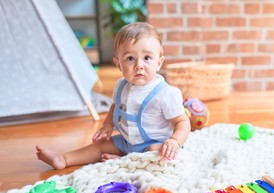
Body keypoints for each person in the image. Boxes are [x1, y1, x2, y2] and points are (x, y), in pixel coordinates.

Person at [36, 22, 191, 169]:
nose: (139, 65)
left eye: (147, 58)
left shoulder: (166, 93)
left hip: (156, 142)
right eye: (130, 58)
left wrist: (174, 142)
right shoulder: (121, 85)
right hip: (127, 141)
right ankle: (64, 159)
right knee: (100, 146)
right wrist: (108, 125)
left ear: (159, 63)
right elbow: (115, 106)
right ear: (118, 64)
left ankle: (126, 162)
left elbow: (182, 122)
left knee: (155, 153)